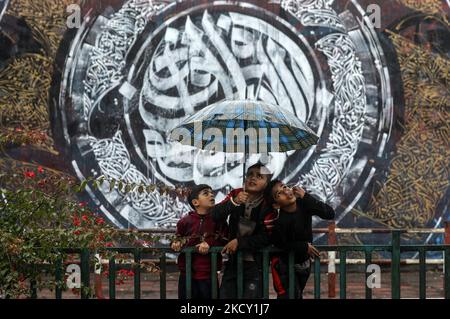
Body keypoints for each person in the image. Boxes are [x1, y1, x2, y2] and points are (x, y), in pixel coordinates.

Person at [213, 163, 274, 299]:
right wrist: (234, 202)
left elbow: (267, 237)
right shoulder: (235, 194)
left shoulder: (268, 204)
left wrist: (240, 242)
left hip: (255, 265)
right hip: (233, 262)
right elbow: (215, 214)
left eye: (259, 176)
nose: (253, 178)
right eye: (250, 174)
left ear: (267, 184)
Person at [264, 180, 335, 299]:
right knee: (289, 295)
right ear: (276, 204)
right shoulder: (280, 221)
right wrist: (303, 246)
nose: (286, 191)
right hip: (285, 265)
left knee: (297, 294)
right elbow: (281, 243)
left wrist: (306, 196)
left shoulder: (304, 204)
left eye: (285, 186)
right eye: (279, 193)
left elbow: (329, 213)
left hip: (304, 263)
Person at [171, 184, 227, 299]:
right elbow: (178, 236)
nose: (211, 195)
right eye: (206, 193)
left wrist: (209, 243)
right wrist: (176, 242)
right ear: (196, 202)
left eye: (212, 193)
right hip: (187, 274)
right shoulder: (185, 221)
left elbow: (225, 239)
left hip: (209, 274)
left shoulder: (218, 220)